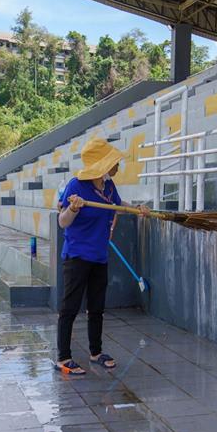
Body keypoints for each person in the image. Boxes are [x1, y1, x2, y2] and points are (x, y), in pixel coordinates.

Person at [56, 139, 149, 375]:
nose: (118, 165)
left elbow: (118, 205)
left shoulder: (108, 186)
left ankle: (95, 353)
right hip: (77, 256)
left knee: (96, 307)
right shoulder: (76, 186)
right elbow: (63, 221)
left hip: (99, 256)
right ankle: (63, 357)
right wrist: (74, 208)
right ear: (102, 164)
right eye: (114, 161)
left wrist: (138, 209)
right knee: (70, 307)